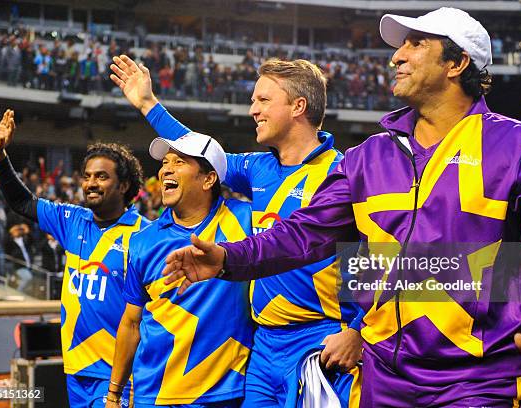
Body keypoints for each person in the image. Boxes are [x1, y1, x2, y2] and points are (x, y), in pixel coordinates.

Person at [161, 8, 521, 407]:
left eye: (417, 44)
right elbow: (305, 233)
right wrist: (229, 258)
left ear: (456, 65)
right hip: (384, 378)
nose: (397, 56)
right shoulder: (367, 157)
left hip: (479, 378)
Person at [110, 55, 363, 406]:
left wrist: (357, 331)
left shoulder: (343, 172)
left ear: (298, 107)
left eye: (263, 100)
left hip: (321, 341)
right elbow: (197, 152)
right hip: (264, 348)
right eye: (253, 101)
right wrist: (148, 105)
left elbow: (370, 258)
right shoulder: (257, 168)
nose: (253, 111)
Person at [0, 109, 150, 408]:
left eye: (102, 177)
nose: (90, 183)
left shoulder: (146, 235)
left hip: (122, 377)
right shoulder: (71, 220)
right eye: (87, 176)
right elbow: (22, 201)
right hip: (75, 370)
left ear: (124, 185)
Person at [105, 132, 253, 407]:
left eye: (180, 162)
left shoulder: (247, 220)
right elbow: (131, 322)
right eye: (165, 162)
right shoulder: (141, 241)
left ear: (209, 179)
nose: (166, 169)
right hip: (154, 393)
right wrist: (114, 393)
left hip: (222, 393)